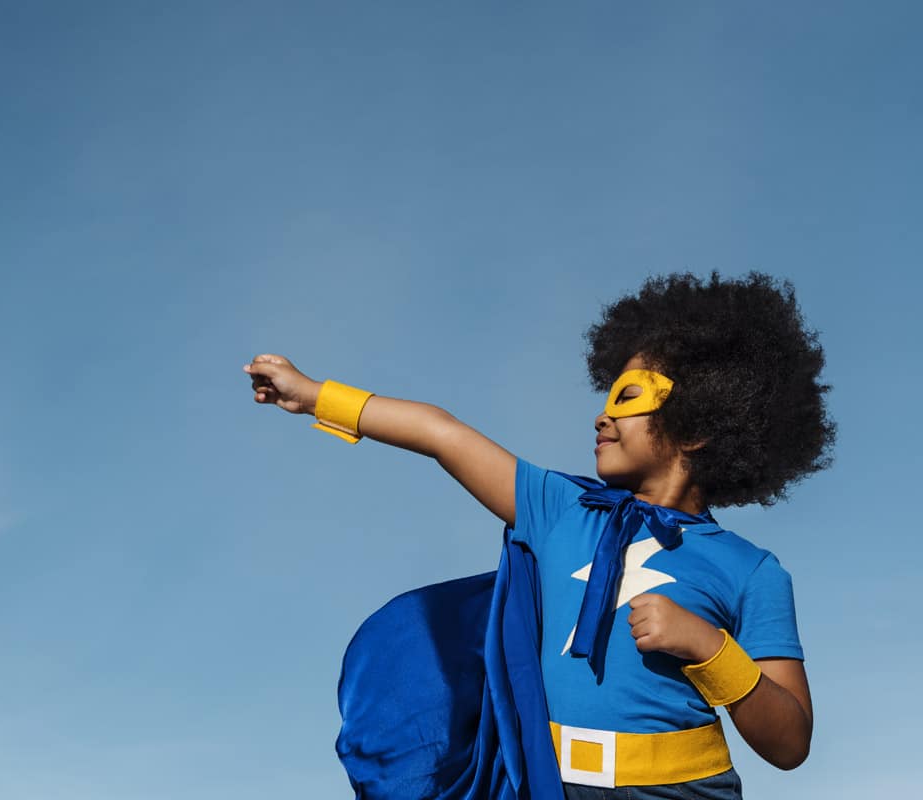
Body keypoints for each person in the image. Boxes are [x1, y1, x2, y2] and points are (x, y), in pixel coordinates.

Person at [243, 273, 833, 800]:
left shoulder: (751, 571)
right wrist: (314, 395)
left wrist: (710, 648)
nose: (602, 415)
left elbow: (789, 743)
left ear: (699, 425)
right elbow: (442, 434)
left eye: (628, 397)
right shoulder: (557, 508)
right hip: (545, 784)